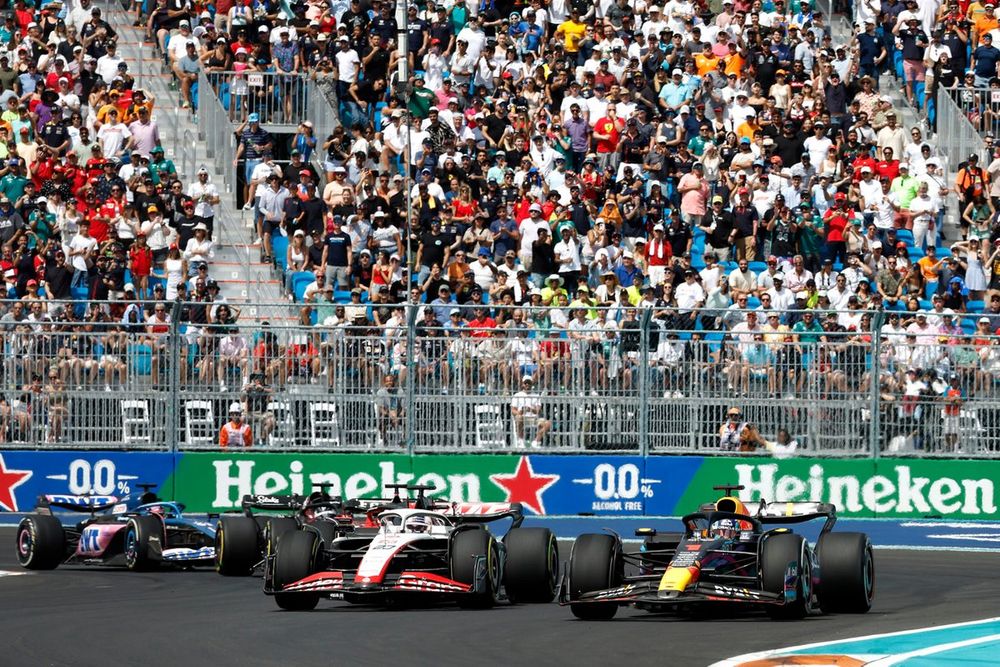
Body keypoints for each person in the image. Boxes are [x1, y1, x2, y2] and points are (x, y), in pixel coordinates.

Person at [511, 375, 551, 448]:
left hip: (534, 418)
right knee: (519, 418)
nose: (527, 385)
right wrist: (520, 411)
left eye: (529, 383)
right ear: (522, 384)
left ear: (532, 384)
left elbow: (538, 411)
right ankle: (521, 440)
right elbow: (513, 410)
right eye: (525, 383)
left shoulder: (536, 395)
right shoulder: (517, 395)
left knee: (548, 423)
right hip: (522, 417)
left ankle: (536, 441)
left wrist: (531, 409)